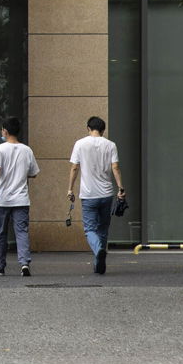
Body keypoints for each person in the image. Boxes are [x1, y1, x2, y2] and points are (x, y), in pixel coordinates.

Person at [67, 116, 125, 275]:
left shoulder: (80, 144)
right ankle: (99, 261)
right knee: (103, 229)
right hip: (106, 194)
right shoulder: (110, 145)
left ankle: (98, 250)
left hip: (88, 194)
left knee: (90, 229)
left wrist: (70, 189)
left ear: (88, 128)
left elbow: (74, 168)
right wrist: (121, 188)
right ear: (103, 130)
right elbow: (116, 167)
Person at [0, 116, 39, 277]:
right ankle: (24, 264)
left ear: (5, 131)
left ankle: (0, 265)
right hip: (21, 198)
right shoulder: (27, 150)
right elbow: (34, 173)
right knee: (22, 232)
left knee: (1, 232)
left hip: (2, 199)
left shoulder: (0, 149)